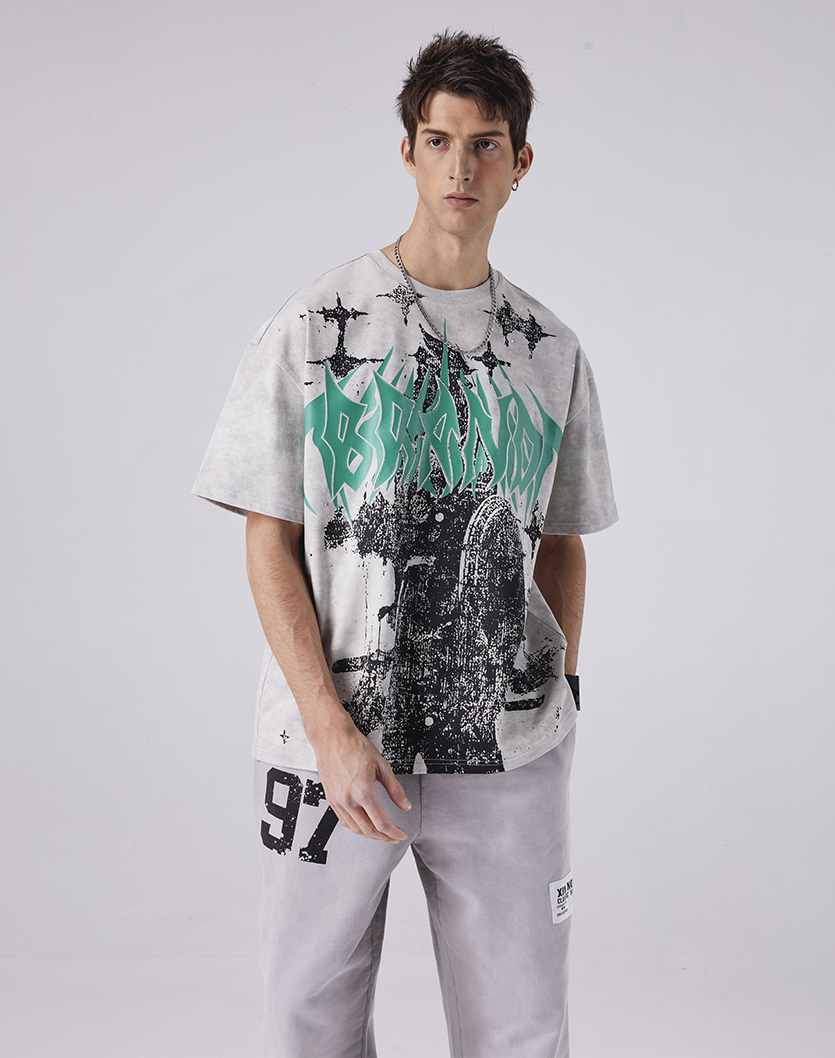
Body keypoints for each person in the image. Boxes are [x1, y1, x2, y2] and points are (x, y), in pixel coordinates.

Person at [193, 30, 617, 1058]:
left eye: (484, 144)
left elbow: (562, 540)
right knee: (308, 1019)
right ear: (408, 152)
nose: (460, 167)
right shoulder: (313, 328)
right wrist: (327, 727)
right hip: (331, 745)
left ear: (520, 162)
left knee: (522, 1027)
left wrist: (561, 687)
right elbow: (268, 542)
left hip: (504, 747)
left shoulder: (551, 352)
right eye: (438, 140)